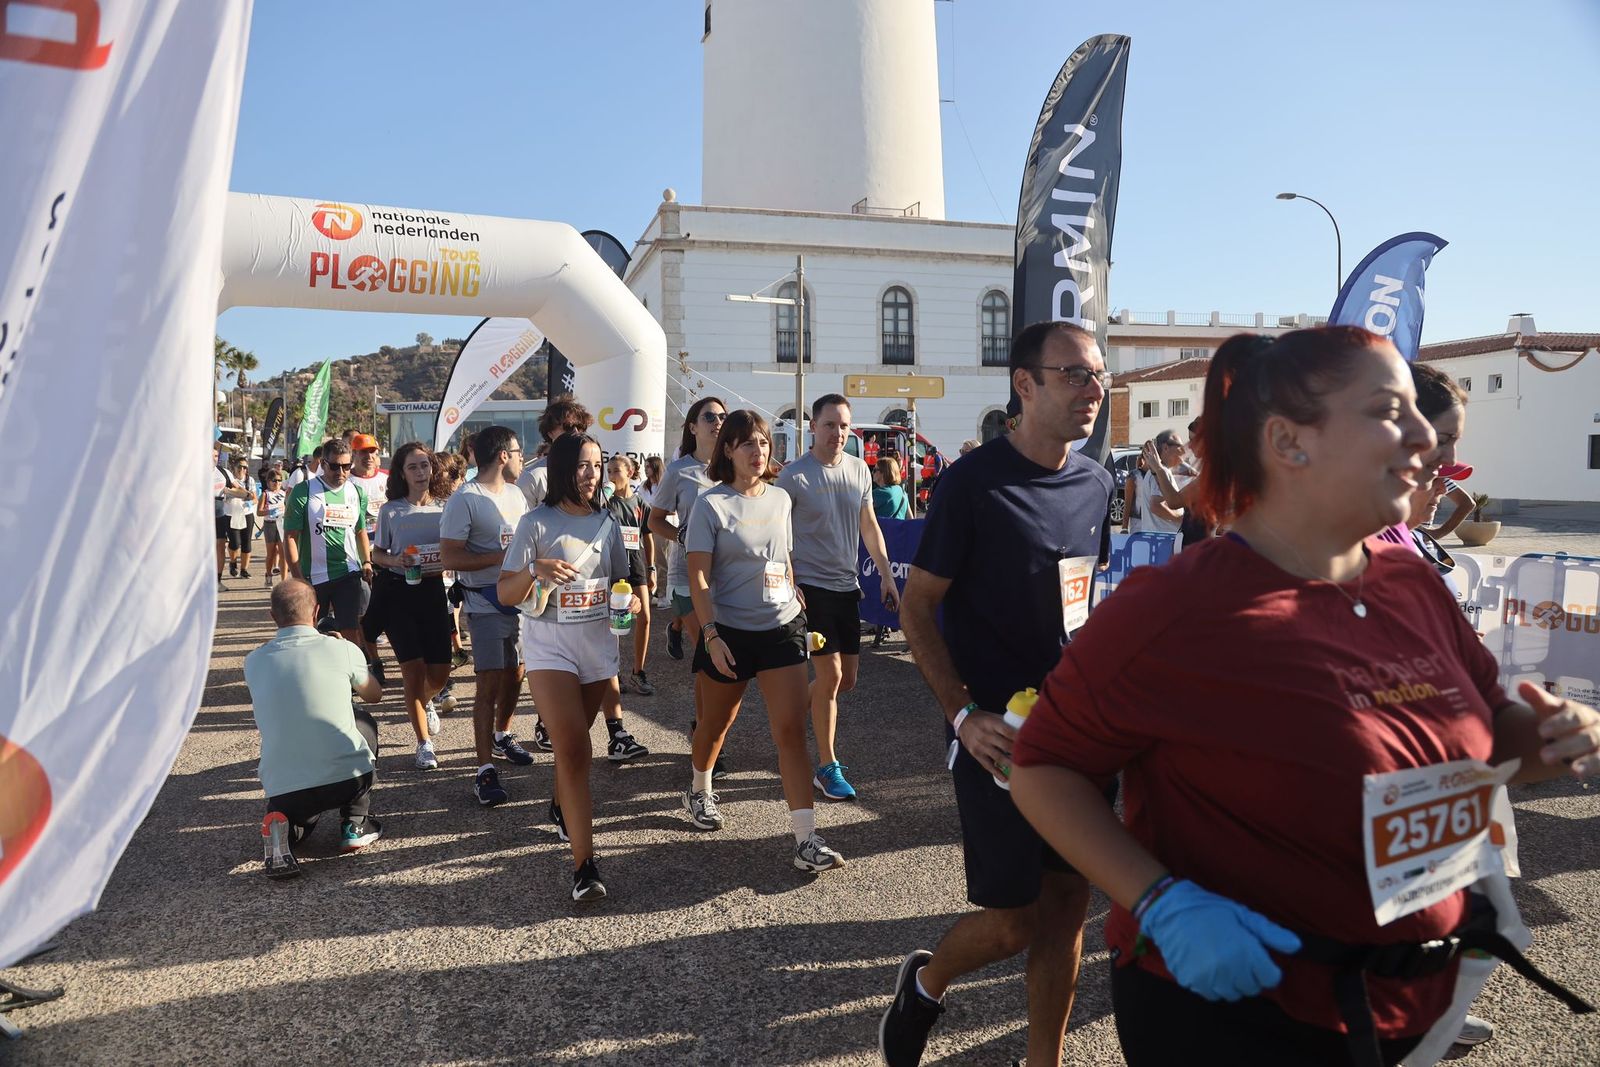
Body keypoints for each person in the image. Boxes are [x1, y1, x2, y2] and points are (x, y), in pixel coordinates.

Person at [1006, 327, 1600, 1066]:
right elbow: (1043, 766)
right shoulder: (1180, 607)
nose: (1425, 437)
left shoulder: (1412, 583)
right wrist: (1159, 900)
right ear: (1289, 441)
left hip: (1403, 1010)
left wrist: (1552, 738)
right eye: (1389, 411)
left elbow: (1489, 737)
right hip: (1238, 1019)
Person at [881, 321, 1113, 1067]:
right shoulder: (972, 484)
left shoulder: (1097, 482)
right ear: (1025, 384)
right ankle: (926, 981)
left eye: (1098, 375)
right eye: (1074, 374)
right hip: (997, 737)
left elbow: (1081, 603)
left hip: (1076, 732)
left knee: (1068, 906)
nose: (1092, 389)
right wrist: (962, 714)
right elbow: (917, 608)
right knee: (1013, 921)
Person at [681, 409, 846, 873]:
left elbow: (783, 557)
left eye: (763, 442)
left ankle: (806, 839)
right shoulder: (710, 505)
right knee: (715, 726)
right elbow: (699, 578)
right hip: (728, 632)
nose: (758, 451)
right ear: (728, 450)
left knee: (790, 731)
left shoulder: (780, 499)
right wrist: (711, 635)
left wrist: (794, 593)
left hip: (781, 627)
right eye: (747, 443)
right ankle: (699, 789)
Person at [497, 433, 644, 901]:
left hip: (597, 647)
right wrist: (534, 570)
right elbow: (505, 592)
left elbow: (621, 580)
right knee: (577, 749)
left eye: (597, 465)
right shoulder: (535, 522)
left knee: (571, 749)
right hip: (549, 647)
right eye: (583, 465)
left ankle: (560, 803)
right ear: (562, 468)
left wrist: (629, 603)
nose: (592, 474)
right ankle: (585, 867)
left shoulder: (608, 521)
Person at [776, 393, 900, 802]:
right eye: (830, 424)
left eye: (844, 425)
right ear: (813, 427)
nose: (838, 432)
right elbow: (778, 536)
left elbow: (869, 525)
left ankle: (794, 711)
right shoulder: (794, 476)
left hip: (848, 586)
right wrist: (790, 581)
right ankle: (827, 767)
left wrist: (886, 574)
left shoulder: (859, 469)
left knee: (846, 681)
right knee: (829, 677)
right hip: (810, 590)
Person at [246, 579, 384, 878]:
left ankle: (283, 831)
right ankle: (355, 822)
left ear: (272, 616)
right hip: (347, 779)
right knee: (364, 721)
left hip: (286, 788)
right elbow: (374, 695)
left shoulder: (253, 660)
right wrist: (349, 655)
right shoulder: (341, 649)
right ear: (317, 610)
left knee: (299, 821)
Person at [439, 425, 534, 806]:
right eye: (519, 452)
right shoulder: (465, 499)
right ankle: (484, 771)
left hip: (521, 602)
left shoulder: (516, 494)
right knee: (489, 683)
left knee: (516, 674)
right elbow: (449, 556)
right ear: (503, 456)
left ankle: (502, 735)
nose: (523, 458)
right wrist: (501, 558)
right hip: (484, 602)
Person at [647, 396, 728, 771]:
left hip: (727, 576)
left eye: (722, 416)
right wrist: (682, 536)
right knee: (710, 655)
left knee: (718, 659)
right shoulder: (679, 471)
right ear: (693, 427)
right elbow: (655, 520)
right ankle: (706, 735)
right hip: (687, 575)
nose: (717, 421)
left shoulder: (734, 466)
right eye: (709, 416)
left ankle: (706, 729)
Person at [369, 442, 456, 770]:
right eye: (413, 467)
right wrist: (396, 561)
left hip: (433, 592)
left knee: (440, 673)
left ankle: (426, 700)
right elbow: (377, 554)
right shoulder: (391, 511)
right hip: (398, 594)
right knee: (413, 670)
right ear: (402, 474)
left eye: (424, 465)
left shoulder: (445, 508)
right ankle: (423, 744)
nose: (420, 472)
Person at [282, 440, 373, 647]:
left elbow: (360, 531)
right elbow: (290, 537)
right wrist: (298, 578)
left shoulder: (357, 493)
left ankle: (352, 666)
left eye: (346, 466)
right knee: (313, 633)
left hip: (347, 572)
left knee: (350, 630)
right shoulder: (303, 491)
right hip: (313, 576)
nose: (341, 472)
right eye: (334, 466)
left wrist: (366, 561)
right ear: (323, 463)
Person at [606, 454, 658, 703]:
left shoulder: (640, 503)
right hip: (614, 569)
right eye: (609, 471)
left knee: (645, 617)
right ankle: (613, 671)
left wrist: (652, 568)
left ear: (629, 472)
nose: (611, 476)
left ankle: (638, 671)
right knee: (614, 621)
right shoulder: (606, 502)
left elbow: (647, 536)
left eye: (616, 471)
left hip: (636, 567)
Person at [1130, 429, 1189, 536]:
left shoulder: (1159, 472)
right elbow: (1156, 506)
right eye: (1180, 446)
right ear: (1166, 448)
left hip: (1159, 537)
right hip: (1162, 538)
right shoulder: (1160, 473)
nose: (1183, 451)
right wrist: (1181, 519)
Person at [641, 455, 672, 609]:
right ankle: (649, 594)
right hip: (646, 527)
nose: (646, 470)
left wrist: (655, 510)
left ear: (656, 467)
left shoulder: (665, 484)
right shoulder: (644, 486)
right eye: (645, 467)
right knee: (646, 560)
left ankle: (663, 594)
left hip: (662, 526)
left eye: (648, 466)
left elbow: (671, 508)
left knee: (661, 560)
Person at [224, 458, 258, 579]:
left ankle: (244, 569)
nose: (242, 469)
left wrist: (250, 502)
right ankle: (233, 562)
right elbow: (225, 493)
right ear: (234, 467)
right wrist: (239, 494)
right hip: (231, 513)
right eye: (240, 466)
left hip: (246, 513)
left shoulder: (250, 480)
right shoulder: (228, 479)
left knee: (246, 543)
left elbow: (254, 498)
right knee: (234, 543)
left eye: (245, 467)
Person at [256, 467, 288, 587]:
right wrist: (269, 511)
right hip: (270, 524)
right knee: (271, 553)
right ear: (269, 481)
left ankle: (284, 581)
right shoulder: (265, 494)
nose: (277, 483)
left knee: (283, 553)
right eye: (274, 480)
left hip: (282, 523)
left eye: (279, 480)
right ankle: (268, 576)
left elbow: (287, 508)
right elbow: (259, 512)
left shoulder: (284, 493)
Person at [872, 456, 910, 520]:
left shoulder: (880, 493)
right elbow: (910, 518)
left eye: (875, 470)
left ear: (884, 473)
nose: (872, 472)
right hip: (899, 526)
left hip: (882, 526)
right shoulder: (902, 491)